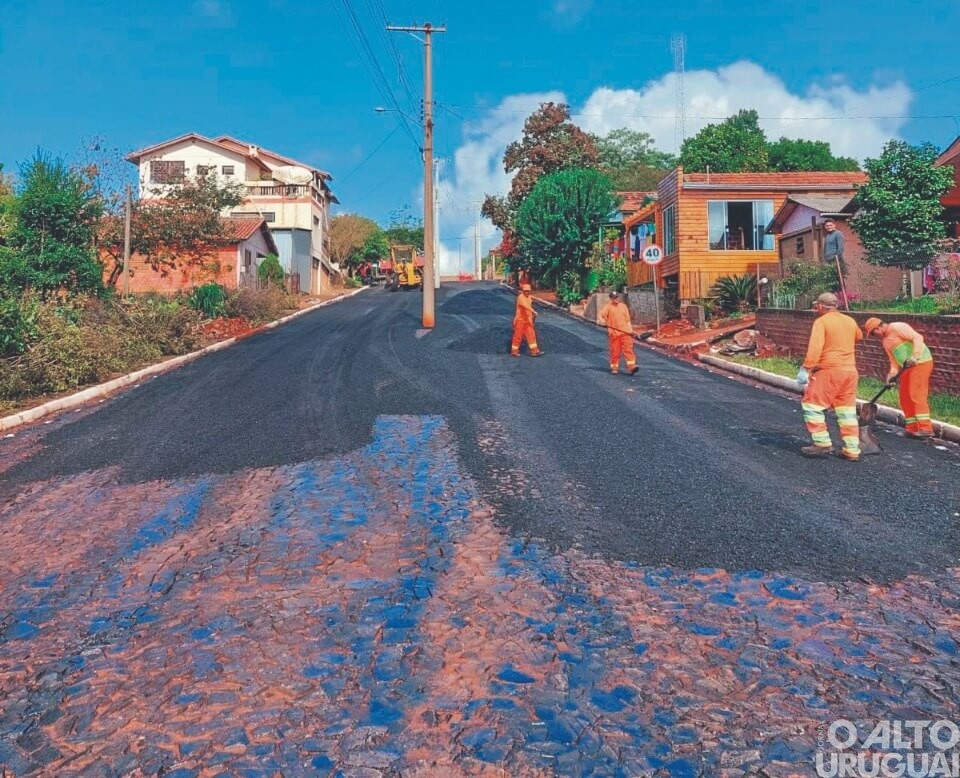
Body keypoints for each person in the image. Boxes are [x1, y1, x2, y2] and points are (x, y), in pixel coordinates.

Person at [796, 292, 862, 460]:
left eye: (816, 306)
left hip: (829, 370)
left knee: (812, 405)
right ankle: (852, 450)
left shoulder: (822, 322)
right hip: (849, 372)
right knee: (847, 412)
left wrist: (806, 368)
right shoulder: (850, 321)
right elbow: (858, 336)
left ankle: (822, 442)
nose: (815, 308)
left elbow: (815, 347)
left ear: (820, 306)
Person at [863, 317, 935, 438]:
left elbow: (918, 337)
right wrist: (891, 376)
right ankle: (912, 428)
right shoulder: (885, 341)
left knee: (916, 394)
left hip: (921, 363)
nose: (875, 336)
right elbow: (894, 362)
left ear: (878, 328)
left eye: (874, 333)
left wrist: (915, 356)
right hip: (907, 367)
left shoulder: (897, 327)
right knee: (904, 397)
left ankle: (926, 428)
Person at [599, 291, 638, 375]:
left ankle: (632, 367)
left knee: (628, 350)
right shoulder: (608, 307)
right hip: (614, 334)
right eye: (614, 297)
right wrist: (603, 322)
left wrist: (630, 330)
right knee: (615, 351)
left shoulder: (623, 306)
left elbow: (627, 320)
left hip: (626, 333)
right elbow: (601, 316)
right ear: (611, 299)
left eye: (617, 297)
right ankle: (614, 367)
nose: (616, 299)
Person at [511, 283, 542, 357]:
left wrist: (531, 319)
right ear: (522, 291)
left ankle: (535, 351)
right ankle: (514, 351)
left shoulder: (529, 297)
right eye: (525, 291)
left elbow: (529, 309)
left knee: (532, 335)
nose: (527, 292)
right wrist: (533, 311)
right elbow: (526, 306)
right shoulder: (520, 298)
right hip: (520, 320)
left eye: (528, 291)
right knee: (518, 336)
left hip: (527, 321)